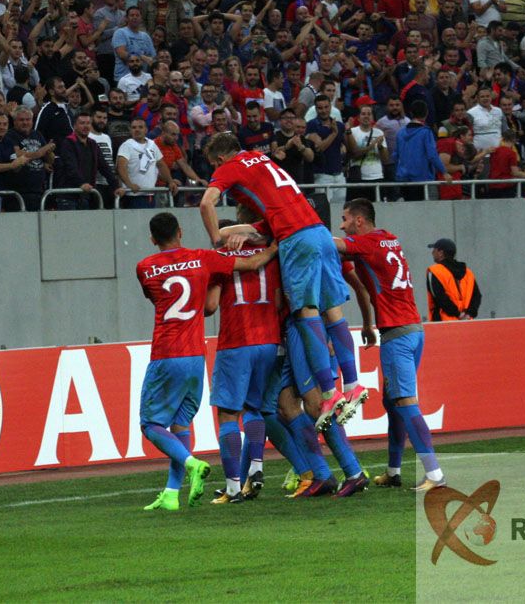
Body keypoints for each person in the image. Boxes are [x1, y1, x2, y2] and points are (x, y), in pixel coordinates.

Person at [200, 132, 367, 433]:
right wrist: (239, 231)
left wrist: (216, 238)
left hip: (296, 241)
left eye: (214, 165)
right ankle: (353, 384)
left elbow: (206, 203)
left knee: (306, 313)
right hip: (319, 231)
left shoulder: (230, 166)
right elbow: (268, 222)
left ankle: (329, 394)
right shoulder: (262, 161)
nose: (215, 172)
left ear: (220, 159)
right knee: (333, 311)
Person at [137, 211, 275, 511]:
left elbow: (160, 299)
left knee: (150, 423)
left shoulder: (145, 267)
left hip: (165, 353)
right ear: (181, 232)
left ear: (152, 239)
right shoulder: (203, 258)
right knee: (181, 422)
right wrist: (275, 245)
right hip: (196, 355)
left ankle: (191, 464)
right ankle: (172, 493)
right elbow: (252, 264)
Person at [335, 199, 445, 491]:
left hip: (397, 333)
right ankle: (394, 472)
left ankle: (435, 475)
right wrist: (370, 324)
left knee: (405, 403)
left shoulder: (366, 243)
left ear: (359, 221)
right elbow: (364, 285)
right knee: (393, 402)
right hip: (412, 329)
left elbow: (334, 245)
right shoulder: (388, 239)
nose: (342, 225)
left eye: (345, 219)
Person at [205, 219, 282, 504]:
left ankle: (233, 487)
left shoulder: (220, 257)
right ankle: (257, 466)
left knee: (227, 415)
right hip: (269, 340)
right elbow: (277, 300)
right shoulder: (269, 255)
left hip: (237, 341)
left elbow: (210, 307)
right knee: (254, 407)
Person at [395, 100, 452, 201]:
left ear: (411, 113)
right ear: (426, 113)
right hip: (421, 178)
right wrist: (444, 172)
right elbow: (432, 155)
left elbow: (395, 155)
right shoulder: (426, 132)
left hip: (403, 178)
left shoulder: (400, 133)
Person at [117, 118, 174, 208]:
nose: (137, 130)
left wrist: (170, 181)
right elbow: (121, 167)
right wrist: (130, 185)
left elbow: (161, 165)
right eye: (134, 127)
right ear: (130, 130)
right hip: (133, 196)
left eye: (140, 127)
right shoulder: (126, 146)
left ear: (146, 130)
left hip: (150, 194)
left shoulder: (152, 145)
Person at [426, 238, 481, 321]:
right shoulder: (468, 272)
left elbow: (440, 298)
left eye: (435, 250)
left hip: (443, 323)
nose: (432, 252)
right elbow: (477, 296)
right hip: (467, 322)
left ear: (441, 253)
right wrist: (468, 314)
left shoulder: (434, 272)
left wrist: (458, 314)